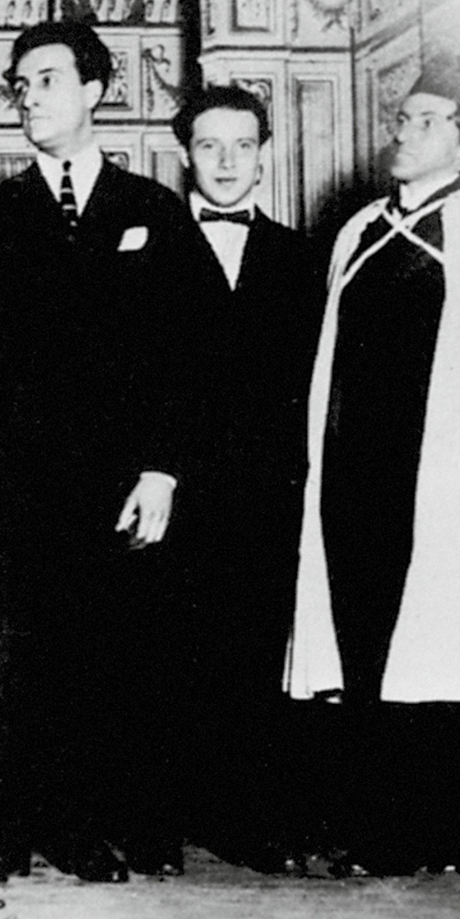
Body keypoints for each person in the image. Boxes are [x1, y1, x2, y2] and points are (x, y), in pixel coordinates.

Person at [0, 19, 204, 883]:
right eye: (20, 83)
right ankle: (2, 831)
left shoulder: (153, 212)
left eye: (47, 79)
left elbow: (185, 356)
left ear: (95, 89)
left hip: (115, 484)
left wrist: (162, 467)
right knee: (9, 668)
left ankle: (81, 828)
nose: (30, 96)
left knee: (98, 662)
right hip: (12, 484)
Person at [287, 57, 460, 880]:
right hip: (357, 477)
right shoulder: (357, 231)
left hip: (448, 477)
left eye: (427, 120)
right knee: (366, 654)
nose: (404, 130)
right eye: (404, 116)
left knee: (448, 651)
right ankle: (377, 827)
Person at [164, 85, 320, 873]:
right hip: (161, 492)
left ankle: (244, 817)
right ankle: (155, 818)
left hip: (265, 496)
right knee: (160, 654)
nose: (226, 162)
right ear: (184, 153)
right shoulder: (144, 242)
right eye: (208, 146)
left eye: (241, 146)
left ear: (264, 154)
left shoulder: (303, 258)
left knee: (253, 656)